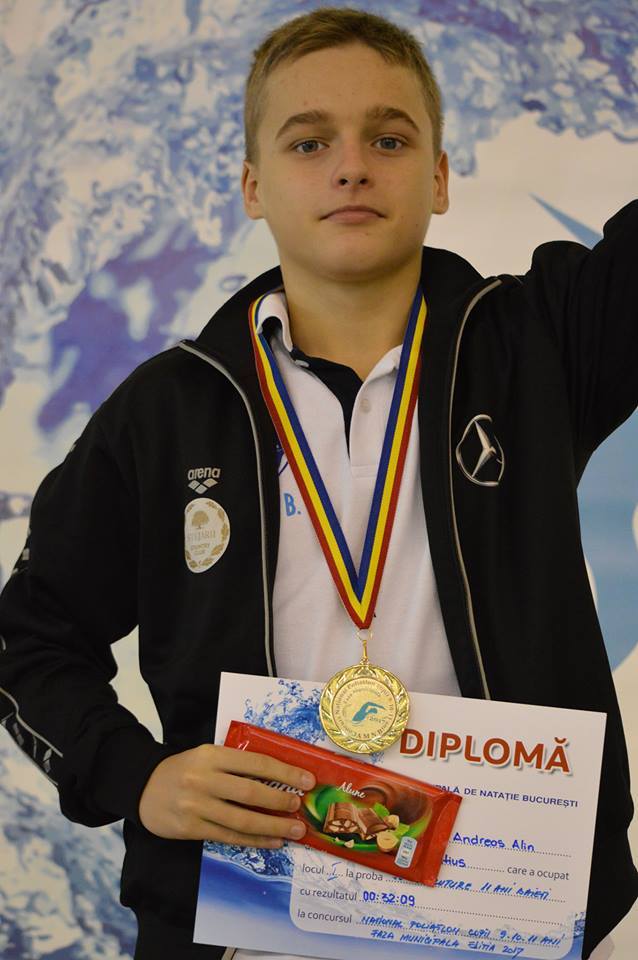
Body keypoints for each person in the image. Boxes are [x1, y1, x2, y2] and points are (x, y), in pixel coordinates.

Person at [0, 6, 636, 960]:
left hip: (510, 914)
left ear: (440, 177)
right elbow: (29, 634)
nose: (351, 167)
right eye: (309, 142)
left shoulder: (537, 346)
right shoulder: (168, 410)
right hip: (248, 929)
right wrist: (136, 777)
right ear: (253, 187)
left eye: (389, 138)